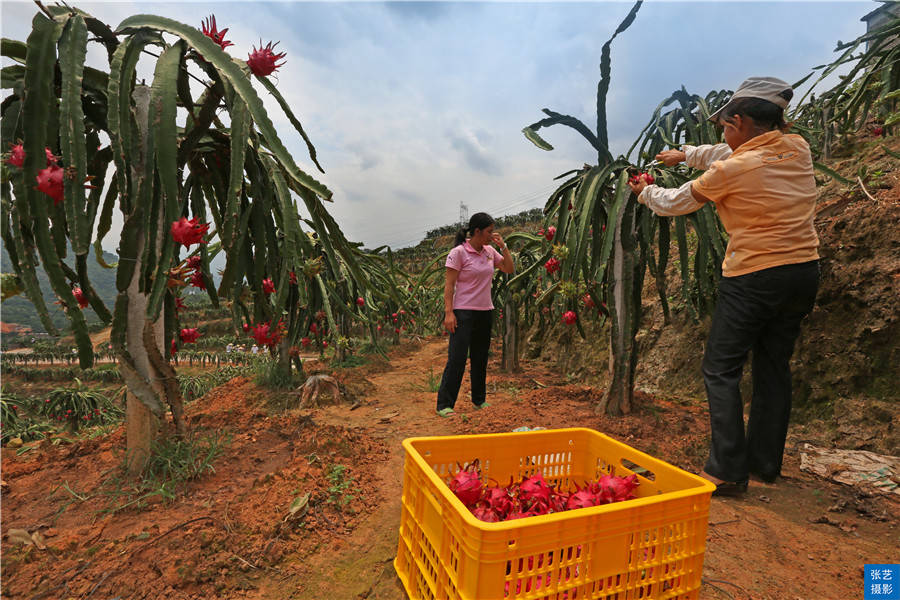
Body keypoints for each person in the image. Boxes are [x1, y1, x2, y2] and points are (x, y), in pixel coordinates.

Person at [628, 77, 820, 497]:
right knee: (773, 366)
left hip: (754, 275)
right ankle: (764, 465)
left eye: (725, 126)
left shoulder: (731, 171)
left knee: (720, 368)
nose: (723, 135)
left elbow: (677, 202)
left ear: (740, 122)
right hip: (803, 271)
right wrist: (686, 154)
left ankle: (727, 471)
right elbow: (733, 152)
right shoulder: (797, 147)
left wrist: (645, 192)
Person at [436, 212, 515, 417]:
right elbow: (449, 285)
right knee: (457, 358)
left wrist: (503, 247)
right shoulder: (459, 253)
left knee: (480, 358)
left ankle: (479, 400)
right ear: (477, 231)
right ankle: (444, 404)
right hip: (463, 312)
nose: (492, 234)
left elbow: (508, 268)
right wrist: (449, 313)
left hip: (485, 311)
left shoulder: (489, 252)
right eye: (489, 231)